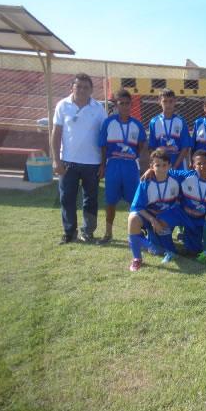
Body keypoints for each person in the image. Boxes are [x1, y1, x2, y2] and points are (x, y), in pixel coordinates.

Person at [50, 72, 108, 244]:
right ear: (72, 88)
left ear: (91, 90)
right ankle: (69, 233)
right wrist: (56, 160)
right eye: (78, 86)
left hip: (92, 163)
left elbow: (104, 138)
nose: (82, 90)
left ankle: (88, 232)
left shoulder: (98, 108)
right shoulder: (62, 106)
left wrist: (103, 163)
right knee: (67, 198)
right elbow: (56, 134)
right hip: (68, 162)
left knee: (90, 200)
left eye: (86, 87)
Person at [98, 89, 147, 243]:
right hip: (113, 165)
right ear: (116, 105)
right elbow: (103, 147)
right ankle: (108, 233)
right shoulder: (108, 122)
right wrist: (102, 166)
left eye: (127, 104)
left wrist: (143, 169)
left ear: (131, 105)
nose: (125, 106)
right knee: (110, 201)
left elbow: (142, 148)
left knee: (135, 201)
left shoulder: (137, 125)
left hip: (130, 166)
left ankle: (136, 233)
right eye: (121, 104)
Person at [156, 150, 206, 255]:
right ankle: (169, 249)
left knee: (194, 250)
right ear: (194, 166)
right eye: (199, 163)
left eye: (205, 163)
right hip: (182, 214)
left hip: (198, 220)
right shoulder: (186, 176)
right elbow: (166, 171)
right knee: (161, 219)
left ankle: (190, 237)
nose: (202, 166)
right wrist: (150, 171)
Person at [127, 149, 181, 271]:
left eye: (164, 165)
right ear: (151, 166)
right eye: (157, 165)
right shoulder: (146, 182)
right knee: (133, 219)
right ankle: (137, 258)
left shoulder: (177, 179)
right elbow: (136, 207)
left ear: (170, 166)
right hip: (149, 217)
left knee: (157, 251)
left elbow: (193, 174)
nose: (161, 169)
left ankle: (137, 240)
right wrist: (152, 220)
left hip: (166, 218)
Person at [148, 88, 191, 169]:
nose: (168, 105)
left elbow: (185, 148)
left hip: (178, 166)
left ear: (175, 101)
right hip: (161, 166)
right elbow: (151, 148)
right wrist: (157, 164)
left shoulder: (181, 121)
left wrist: (174, 167)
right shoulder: (154, 122)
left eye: (171, 101)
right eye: (165, 101)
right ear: (159, 101)